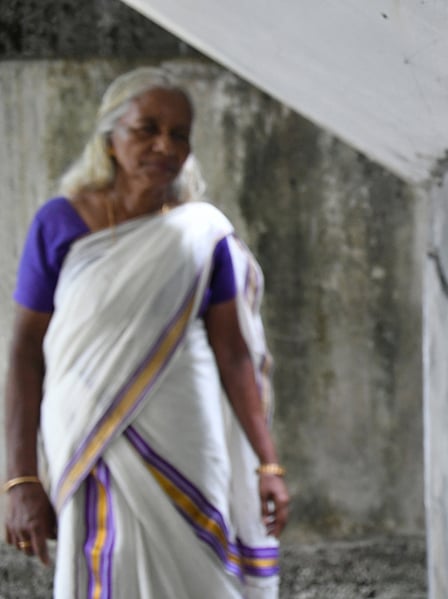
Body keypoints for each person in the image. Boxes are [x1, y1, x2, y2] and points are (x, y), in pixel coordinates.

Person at [3, 66, 289, 598]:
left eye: (179, 133)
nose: (165, 144)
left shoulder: (201, 233)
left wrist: (268, 462)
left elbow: (233, 355)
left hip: (185, 426)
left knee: (198, 567)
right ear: (110, 138)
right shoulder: (60, 223)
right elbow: (24, 353)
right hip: (86, 432)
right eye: (147, 128)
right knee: (107, 562)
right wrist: (20, 479)